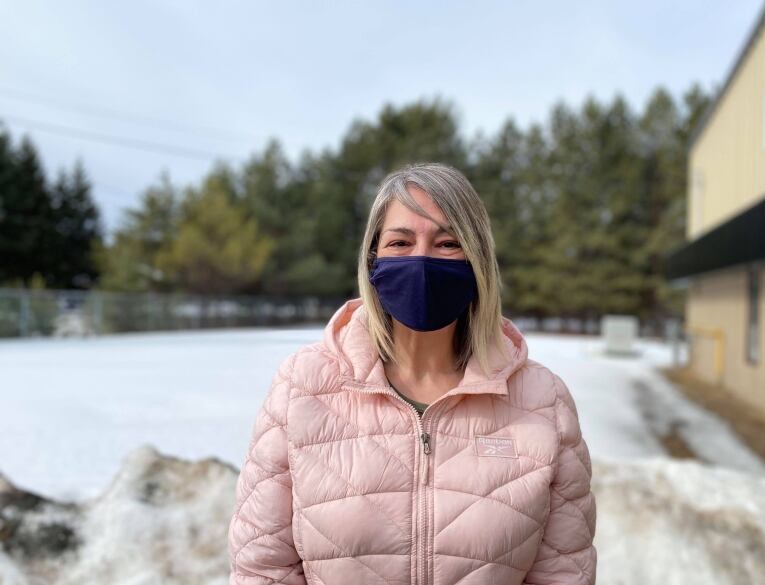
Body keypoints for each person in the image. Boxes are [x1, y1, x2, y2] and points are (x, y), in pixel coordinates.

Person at [227, 162, 597, 585]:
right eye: (401, 242)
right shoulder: (303, 386)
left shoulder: (541, 400)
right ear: (373, 260)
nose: (421, 260)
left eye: (447, 243)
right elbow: (263, 567)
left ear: (477, 262)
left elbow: (564, 574)